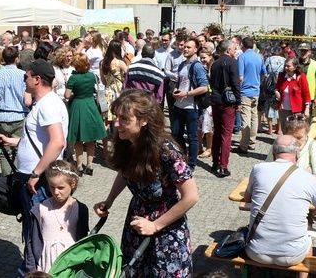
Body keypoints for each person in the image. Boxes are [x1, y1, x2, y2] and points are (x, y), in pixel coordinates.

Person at [94, 89, 199, 277]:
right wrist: (109, 201)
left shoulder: (166, 150)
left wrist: (155, 225)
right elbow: (125, 172)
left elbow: (191, 197)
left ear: (144, 121)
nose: (117, 124)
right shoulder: (127, 142)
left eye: (125, 119)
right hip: (136, 223)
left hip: (166, 232)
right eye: (117, 117)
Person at [0, 59, 68, 264]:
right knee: (34, 227)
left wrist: (36, 173)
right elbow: (40, 140)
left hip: (39, 180)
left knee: (38, 230)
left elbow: (57, 142)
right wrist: (11, 141)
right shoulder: (44, 104)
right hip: (36, 176)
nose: (24, 80)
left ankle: (34, 270)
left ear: (37, 79)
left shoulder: (48, 105)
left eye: (26, 76)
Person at [244, 134, 316, 277]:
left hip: (256, 252)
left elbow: (247, 198)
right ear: (297, 154)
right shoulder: (308, 179)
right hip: (292, 255)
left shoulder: (258, 169)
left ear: (274, 154)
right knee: (309, 237)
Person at [23, 160, 89, 274]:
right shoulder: (40, 209)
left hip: (70, 265)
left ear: (72, 184)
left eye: (61, 187)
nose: (56, 192)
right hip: (46, 264)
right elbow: (31, 242)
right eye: (52, 187)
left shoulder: (81, 209)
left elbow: (83, 240)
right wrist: (31, 270)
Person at [0, 46, 29, 176]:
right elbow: (27, 101)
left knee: (5, 151)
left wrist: (0, 101)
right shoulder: (23, 75)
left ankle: (7, 177)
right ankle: (18, 176)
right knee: (20, 149)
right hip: (19, 116)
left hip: (2, 116)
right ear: (17, 59)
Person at [65, 53, 107, 176]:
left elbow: (67, 95)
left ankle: (79, 165)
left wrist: (74, 94)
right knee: (90, 138)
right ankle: (89, 164)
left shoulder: (73, 78)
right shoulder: (92, 76)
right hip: (90, 105)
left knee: (78, 138)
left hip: (78, 106)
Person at [171, 37, 209, 169]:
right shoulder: (182, 64)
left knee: (192, 137)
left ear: (195, 49)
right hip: (178, 105)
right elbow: (180, 82)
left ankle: (191, 164)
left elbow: (204, 87)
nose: (185, 49)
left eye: (189, 47)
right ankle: (182, 159)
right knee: (176, 133)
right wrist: (176, 90)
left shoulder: (197, 66)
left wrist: (186, 94)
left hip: (191, 107)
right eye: (184, 46)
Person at [209, 40, 241, 177]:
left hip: (216, 100)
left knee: (216, 132)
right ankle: (223, 166)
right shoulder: (232, 62)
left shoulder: (214, 63)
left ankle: (215, 162)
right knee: (226, 134)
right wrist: (238, 101)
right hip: (228, 101)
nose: (235, 51)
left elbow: (212, 82)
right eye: (234, 49)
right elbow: (235, 83)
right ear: (228, 50)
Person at [266, 115, 316, 184]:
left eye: (299, 138)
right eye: (291, 137)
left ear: (306, 134)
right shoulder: (279, 143)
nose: (295, 141)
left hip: (304, 187)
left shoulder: (313, 145)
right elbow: (267, 167)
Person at [235, 37, 267, 153]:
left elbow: (240, 77)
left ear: (243, 45)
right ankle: (252, 142)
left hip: (245, 92)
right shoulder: (259, 57)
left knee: (245, 119)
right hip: (255, 91)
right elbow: (264, 74)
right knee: (254, 117)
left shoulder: (242, 57)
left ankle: (243, 145)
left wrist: (238, 90)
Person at [273, 57, 311, 134]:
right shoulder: (282, 76)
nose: (286, 68)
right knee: (285, 130)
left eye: (288, 66)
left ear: (295, 67)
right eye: (285, 66)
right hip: (283, 109)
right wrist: (277, 93)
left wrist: (307, 108)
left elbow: (306, 93)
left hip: (297, 110)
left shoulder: (301, 77)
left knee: (296, 130)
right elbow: (276, 87)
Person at [101, 40, 128, 129]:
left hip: (108, 90)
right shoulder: (119, 63)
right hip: (118, 90)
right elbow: (128, 74)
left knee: (108, 117)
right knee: (118, 114)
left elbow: (103, 81)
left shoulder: (102, 63)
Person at [263, 46, 286, 134]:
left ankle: (270, 129)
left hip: (269, 85)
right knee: (279, 105)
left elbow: (264, 72)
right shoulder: (284, 60)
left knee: (268, 106)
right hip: (280, 84)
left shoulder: (268, 59)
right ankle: (279, 129)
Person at [197, 47, 214, 159]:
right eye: (201, 57)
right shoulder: (199, 68)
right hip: (200, 100)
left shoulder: (212, 69)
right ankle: (199, 146)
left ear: (210, 57)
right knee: (199, 126)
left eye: (204, 57)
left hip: (209, 101)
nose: (202, 60)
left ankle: (209, 148)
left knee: (208, 126)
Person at [298, 43, 316, 115]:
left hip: (309, 96)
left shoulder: (315, 64)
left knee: (307, 117)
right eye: (301, 51)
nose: (303, 53)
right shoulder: (295, 62)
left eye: (305, 51)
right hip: (297, 94)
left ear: (309, 52)